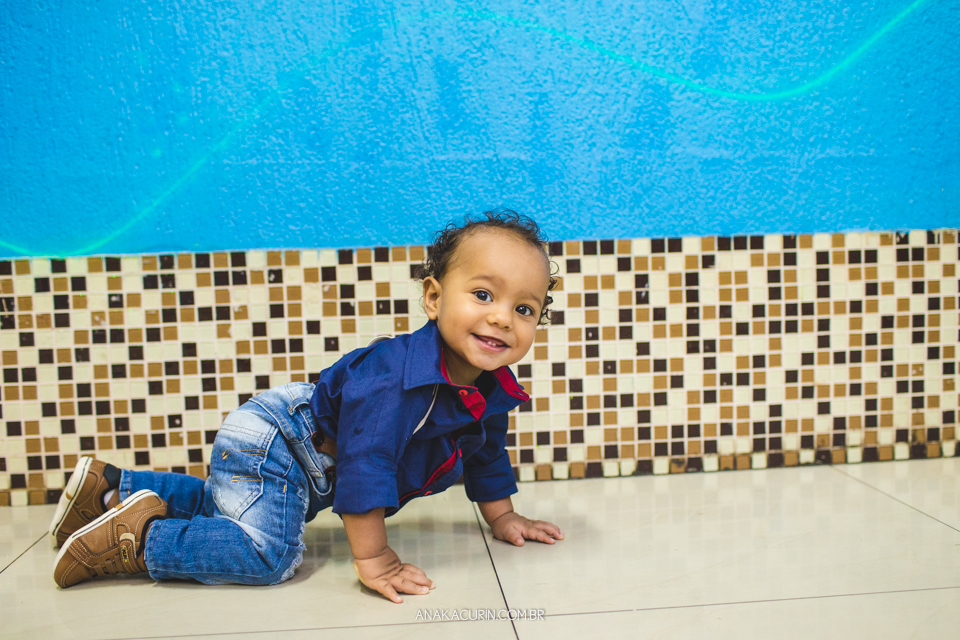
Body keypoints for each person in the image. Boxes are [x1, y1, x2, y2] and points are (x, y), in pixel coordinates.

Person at [51, 209, 564, 603]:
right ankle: (138, 540)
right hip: (279, 443)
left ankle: (111, 491)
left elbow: (484, 454)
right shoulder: (397, 378)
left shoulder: (491, 389)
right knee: (267, 554)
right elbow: (367, 465)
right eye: (482, 294)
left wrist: (503, 516)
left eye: (523, 308)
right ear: (433, 298)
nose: (502, 319)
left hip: (292, 454)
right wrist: (376, 558)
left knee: (226, 509)